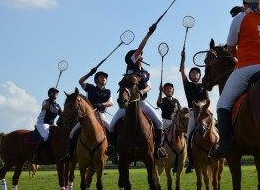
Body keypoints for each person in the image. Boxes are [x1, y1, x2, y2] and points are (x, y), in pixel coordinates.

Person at [210, 0, 260, 159]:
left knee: (223, 104)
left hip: (248, 67)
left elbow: (230, 48)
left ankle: (224, 147)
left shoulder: (239, 19)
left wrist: (236, 56)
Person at [106, 23, 168, 162]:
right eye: (139, 54)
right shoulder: (130, 66)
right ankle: (113, 149)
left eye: (141, 54)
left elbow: (148, 87)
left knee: (159, 123)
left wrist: (141, 91)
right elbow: (141, 47)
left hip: (142, 103)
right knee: (111, 125)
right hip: (128, 105)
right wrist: (149, 34)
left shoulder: (146, 73)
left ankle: (158, 148)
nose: (141, 55)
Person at [59, 68, 113, 163]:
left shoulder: (108, 91)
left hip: (101, 115)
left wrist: (102, 105)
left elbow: (110, 103)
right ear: (97, 80)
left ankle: (114, 152)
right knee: (72, 134)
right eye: (101, 77)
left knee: (111, 129)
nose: (104, 78)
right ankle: (69, 155)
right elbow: (80, 81)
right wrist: (90, 74)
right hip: (89, 116)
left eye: (105, 77)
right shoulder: (90, 87)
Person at [180, 51, 209, 173]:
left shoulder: (204, 85)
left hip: (204, 111)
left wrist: (201, 105)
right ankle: (191, 162)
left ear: (199, 75)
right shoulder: (187, 85)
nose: (195, 74)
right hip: (192, 113)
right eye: (193, 73)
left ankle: (220, 151)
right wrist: (183, 58)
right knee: (189, 137)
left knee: (218, 127)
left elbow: (207, 99)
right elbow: (182, 71)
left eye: (197, 73)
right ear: (190, 76)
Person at [32, 87, 62, 162]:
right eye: (53, 92)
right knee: (45, 136)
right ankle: (36, 154)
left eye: (56, 92)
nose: (55, 93)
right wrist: (51, 100)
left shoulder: (57, 106)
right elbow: (44, 107)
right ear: (49, 94)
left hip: (52, 124)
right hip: (42, 123)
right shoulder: (45, 101)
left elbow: (62, 115)